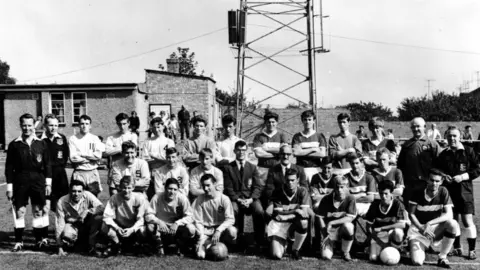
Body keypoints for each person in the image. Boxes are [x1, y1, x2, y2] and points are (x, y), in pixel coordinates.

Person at [5, 113, 52, 252]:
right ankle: (19, 241)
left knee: (38, 210)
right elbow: (9, 168)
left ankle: (39, 241)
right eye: (24, 125)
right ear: (20, 125)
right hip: (20, 180)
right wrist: (9, 187)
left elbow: (48, 165)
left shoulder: (41, 143)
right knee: (20, 211)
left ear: (33, 126)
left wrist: (48, 184)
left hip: (38, 180)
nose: (27, 128)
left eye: (29, 125)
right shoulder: (14, 145)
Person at [434, 126, 479, 260]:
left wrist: (463, 176)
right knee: (453, 220)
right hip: (449, 192)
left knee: (467, 220)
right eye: (449, 136)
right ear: (446, 138)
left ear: (460, 137)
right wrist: (443, 176)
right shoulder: (443, 154)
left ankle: (472, 250)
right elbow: (437, 169)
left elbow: (477, 169)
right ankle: (457, 248)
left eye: (454, 136)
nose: (452, 138)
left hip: (465, 191)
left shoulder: (469, 151)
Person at [407, 169, 460, 268]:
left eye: (437, 181)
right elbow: (411, 214)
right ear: (427, 179)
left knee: (452, 223)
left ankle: (442, 257)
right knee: (417, 262)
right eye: (432, 180)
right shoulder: (417, 191)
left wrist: (429, 223)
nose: (434, 183)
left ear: (441, 181)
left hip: (434, 230)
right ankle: (415, 245)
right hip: (418, 230)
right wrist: (422, 227)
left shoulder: (443, 191)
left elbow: (449, 215)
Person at [223, 140, 265, 247]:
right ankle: (234, 239)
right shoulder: (228, 168)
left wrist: (251, 199)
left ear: (246, 151)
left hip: (250, 198)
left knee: (259, 210)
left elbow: (257, 187)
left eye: (243, 150)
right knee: (234, 210)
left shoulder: (252, 167)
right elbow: (228, 188)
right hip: (236, 198)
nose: (241, 152)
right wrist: (238, 199)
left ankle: (259, 240)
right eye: (238, 150)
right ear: (234, 151)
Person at [266, 168, 311, 260]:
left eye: (292, 180)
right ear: (284, 180)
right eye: (288, 180)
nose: (290, 183)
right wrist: (295, 211)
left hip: (293, 224)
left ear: (297, 180)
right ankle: (285, 244)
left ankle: (295, 249)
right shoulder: (278, 191)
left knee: (304, 222)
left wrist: (286, 216)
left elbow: (304, 214)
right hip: (279, 225)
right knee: (276, 255)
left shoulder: (303, 191)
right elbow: (279, 215)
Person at [101, 176, 149, 257]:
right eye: (124, 188)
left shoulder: (139, 197)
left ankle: (139, 245)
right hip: (120, 226)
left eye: (129, 188)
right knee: (104, 226)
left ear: (133, 187)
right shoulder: (114, 198)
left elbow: (141, 220)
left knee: (143, 229)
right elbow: (107, 216)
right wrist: (117, 228)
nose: (126, 191)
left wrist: (131, 230)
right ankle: (116, 244)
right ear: (119, 187)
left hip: (133, 226)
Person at [146, 178, 196, 256]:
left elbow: (190, 217)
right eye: (170, 189)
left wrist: (177, 223)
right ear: (165, 188)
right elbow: (148, 215)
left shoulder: (182, 198)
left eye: (175, 189)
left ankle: (180, 246)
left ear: (178, 190)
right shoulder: (157, 197)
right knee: (150, 226)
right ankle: (158, 246)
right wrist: (159, 222)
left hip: (176, 227)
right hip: (161, 227)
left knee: (191, 229)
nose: (172, 192)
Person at [192, 174, 237, 259]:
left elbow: (230, 219)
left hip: (221, 230)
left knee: (232, 231)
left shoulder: (224, 199)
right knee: (200, 256)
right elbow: (198, 221)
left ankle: (228, 247)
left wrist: (219, 230)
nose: (205, 189)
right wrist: (201, 239)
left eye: (208, 185)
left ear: (215, 184)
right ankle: (208, 247)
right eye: (203, 186)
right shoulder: (200, 199)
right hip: (206, 231)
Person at [397, 117, 440, 206]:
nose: (415, 129)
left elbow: (439, 164)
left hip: (426, 184)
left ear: (424, 127)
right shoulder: (406, 145)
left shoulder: (432, 144)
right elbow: (400, 165)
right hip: (409, 184)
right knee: (408, 210)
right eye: (413, 127)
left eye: (418, 126)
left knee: (424, 210)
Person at [55, 180, 104, 256]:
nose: (76, 194)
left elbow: (101, 207)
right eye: (74, 191)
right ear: (69, 191)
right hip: (72, 225)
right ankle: (76, 243)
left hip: (87, 224)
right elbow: (59, 223)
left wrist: (88, 211)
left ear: (83, 191)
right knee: (67, 234)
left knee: (98, 218)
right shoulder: (62, 201)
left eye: (79, 191)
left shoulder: (88, 195)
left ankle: (92, 246)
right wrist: (59, 247)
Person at [364, 180, 407, 262]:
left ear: (391, 193)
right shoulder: (374, 205)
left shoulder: (398, 204)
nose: (383, 196)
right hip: (378, 235)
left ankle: (397, 249)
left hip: (392, 233)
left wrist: (382, 228)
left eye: (386, 193)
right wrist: (374, 238)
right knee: (373, 258)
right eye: (381, 193)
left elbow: (402, 225)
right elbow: (368, 225)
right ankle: (378, 249)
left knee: (398, 232)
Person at [316, 175, 356, 261]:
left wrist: (331, 223)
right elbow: (320, 217)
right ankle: (331, 245)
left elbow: (349, 218)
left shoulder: (350, 198)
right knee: (326, 256)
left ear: (347, 187)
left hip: (341, 229)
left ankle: (345, 251)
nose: (339, 190)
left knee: (349, 226)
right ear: (334, 187)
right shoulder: (326, 199)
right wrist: (324, 233)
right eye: (337, 187)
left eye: (342, 187)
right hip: (329, 231)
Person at [68, 115, 104, 197]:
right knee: (77, 199)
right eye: (82, 123)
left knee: (93, 199)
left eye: (87, 124)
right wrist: (90, 158)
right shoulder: (73, 139)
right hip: (79, 172)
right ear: (78, 125)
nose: (84, 126)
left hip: (92, 172)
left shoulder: (94, 139)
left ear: (90, 126)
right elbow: (73, 158)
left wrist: (82, 155)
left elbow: (97, 156)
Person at [252, 111, 288, 192]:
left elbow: (284, 151)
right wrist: (276, 154)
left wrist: (266, 149)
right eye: (268, 122)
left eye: (273, 122)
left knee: (279, 190)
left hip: (278, 169)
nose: (271, 124)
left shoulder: (282, 135)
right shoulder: (258, 136)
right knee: (262, 190)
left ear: (277, 123)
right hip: (262, 168)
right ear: (265, 123)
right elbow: (258, 153)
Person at [41, 114, 70, 212]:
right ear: (45, 125)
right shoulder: (40, 140)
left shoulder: (61, 138)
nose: (53, 128)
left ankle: (61, 226)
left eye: (55, 125)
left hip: (59, 174)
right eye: (50, 125)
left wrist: (60, 166)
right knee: (45, 203)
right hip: (44, 174)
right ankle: (43, 226)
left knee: (62, 202)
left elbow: (66, 154)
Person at [291, 110, 327, 181]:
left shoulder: (319, 136)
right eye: (305, 120)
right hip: (301, 168)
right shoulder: (297, 136)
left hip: (316, 169)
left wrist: (302, 152)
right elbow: (296, 153)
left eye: (310, 119)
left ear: (314, 121)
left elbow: (322, 154)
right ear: (302, 121)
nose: (307, 122)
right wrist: (313, 150)